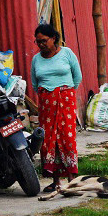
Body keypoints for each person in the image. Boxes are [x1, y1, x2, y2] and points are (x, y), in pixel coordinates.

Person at [32, 22, 82, 193]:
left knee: (67, 139)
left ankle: (72, 180)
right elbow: (34, 82)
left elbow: (77, 77)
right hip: (46, 104)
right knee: (49, 140)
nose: (41, 45)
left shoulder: (67, 53)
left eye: (44, 41)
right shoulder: (36, 59)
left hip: (65, 101)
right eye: (37, 42)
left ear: (53, 38)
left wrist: (64, 94)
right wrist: (49, 96)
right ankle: (56, 181)